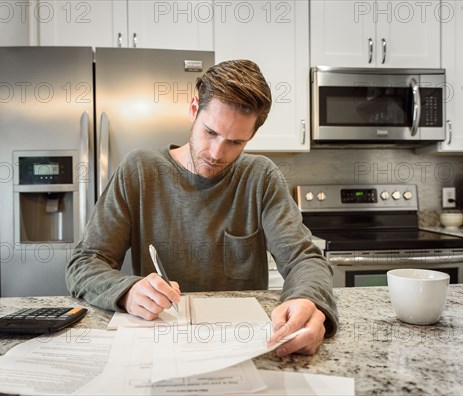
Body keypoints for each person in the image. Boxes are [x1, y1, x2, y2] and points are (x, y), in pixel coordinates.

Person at [66, 59, 338, 357]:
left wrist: (308, 300)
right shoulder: (139, 170)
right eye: (210, 132)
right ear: (194, 109)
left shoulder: (261, 177)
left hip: (241, 347)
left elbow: (304, 258)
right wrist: (127, 291)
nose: (217, 153)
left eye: (235, 142)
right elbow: (85, 263)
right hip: (157, 345)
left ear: (252, 136)